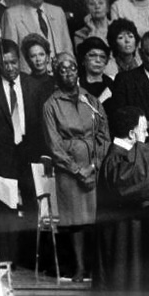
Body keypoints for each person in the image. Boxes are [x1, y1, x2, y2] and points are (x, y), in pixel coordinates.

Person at [43, 52, 110, 282]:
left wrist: (95, 165)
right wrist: (77, 170)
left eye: (72, 67)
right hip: (69, 173)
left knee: (94, 220)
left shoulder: (91, 100)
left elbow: (104, 136)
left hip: (94, 169)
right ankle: (80, 268)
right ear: (56, 73)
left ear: (77, 71)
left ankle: (97, 268)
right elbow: (54, 146)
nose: (68, 72)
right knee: (75, 222)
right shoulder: (51, 105)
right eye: (62, 69)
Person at [93, 106, 149, 294]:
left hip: (126, 232)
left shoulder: (125, 155)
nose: (146, 134)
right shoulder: (116, 158)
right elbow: (133, 184)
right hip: (122, 235)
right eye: (143, 130)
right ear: (132, 134)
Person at [0, 39, 45, 264]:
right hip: (3, 155)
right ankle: (8, 258)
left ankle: (30, 258)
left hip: (30, 153)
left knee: (32, 205)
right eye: (4, 63)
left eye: (13, 62)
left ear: (20, 60)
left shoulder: (33, 85)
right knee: (6, 207)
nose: (9, 67)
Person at [2, 0, 73, 74]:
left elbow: (68, 48)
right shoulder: (12, 15)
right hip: (30, 80)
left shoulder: (58, 12)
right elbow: (10, 55)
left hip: (60, 77)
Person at [77, 36, 115, 121]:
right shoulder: (76, 85)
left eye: (102, 56)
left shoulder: (115, 84)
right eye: (92, 55)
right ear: (83, 59)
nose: (98, 60)